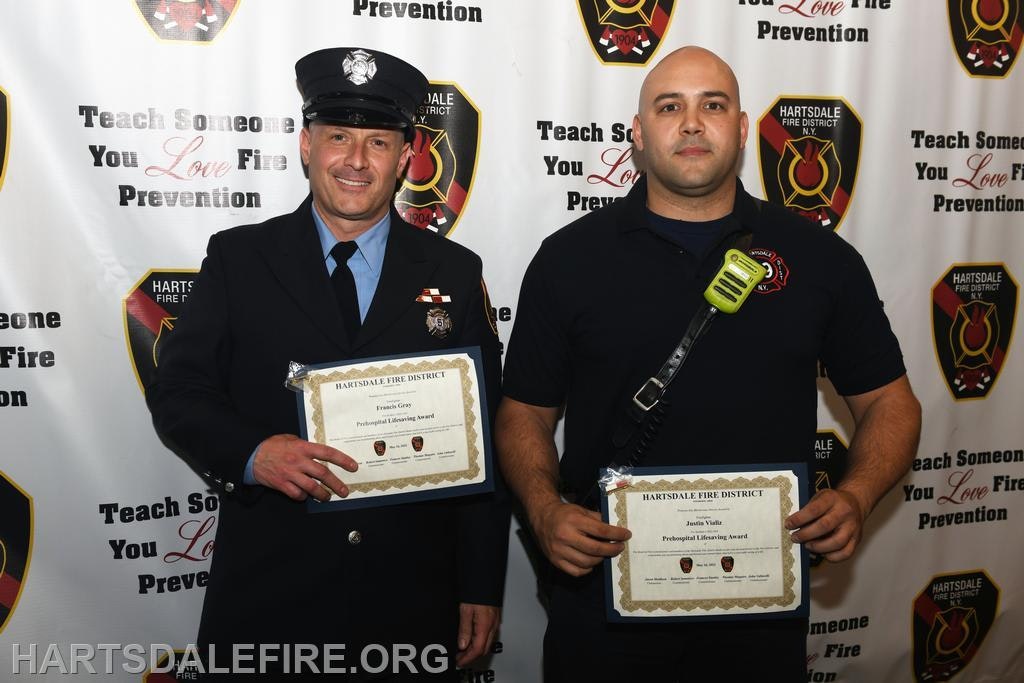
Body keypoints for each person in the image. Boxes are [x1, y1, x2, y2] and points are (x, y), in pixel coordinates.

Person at [496, 45, 921, 680]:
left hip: (759, 609)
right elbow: (522, 414)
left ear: (743, 128)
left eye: (712, 105)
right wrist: (544, 507)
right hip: (605, 602)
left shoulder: (820, 259)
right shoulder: (568, 260)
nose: (692, 123)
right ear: (638, 134)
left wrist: (856, 496)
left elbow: (892, 403)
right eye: (670, 107)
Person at [146, 46, 509, 679]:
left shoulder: (455, 271)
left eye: (377, 141)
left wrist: (481, 581)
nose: (356, 161)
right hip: (269, 597)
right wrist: (256, 454)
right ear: (306, 143)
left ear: (406, 156)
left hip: (411, 602)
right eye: (339, 136)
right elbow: (179, 391)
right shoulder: (238, 260)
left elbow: (486, 437)